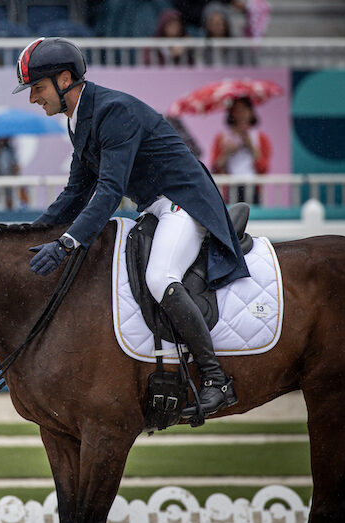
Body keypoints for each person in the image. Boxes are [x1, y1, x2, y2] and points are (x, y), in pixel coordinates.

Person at [14, 37, 247, 417]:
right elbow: (75, 193)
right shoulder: (80, 120)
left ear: (65, 79)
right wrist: (28, 237)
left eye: (36, 89)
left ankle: (215, 379)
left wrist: (68, 242)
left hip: (184, 204)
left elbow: (109, 191)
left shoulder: (114, 111)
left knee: (159, 277)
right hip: (156, 207)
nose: (33, 99)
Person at [210, 96, 271, 204]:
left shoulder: (260, 138)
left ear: (251, 112)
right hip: (231, 189)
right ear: (231, 114)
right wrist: (227, 153)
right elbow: (215, 169)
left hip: (252, 188)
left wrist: (251, 147)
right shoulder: (222, 138)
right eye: (236, 110)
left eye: (244, 109)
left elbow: (264, 169)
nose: (241, 114)